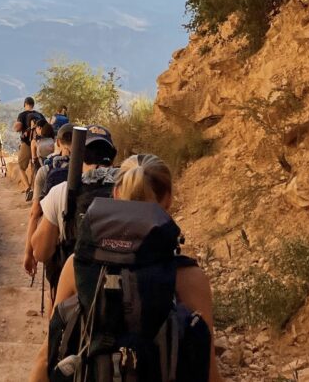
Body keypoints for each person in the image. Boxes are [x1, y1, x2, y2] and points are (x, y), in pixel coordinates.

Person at [29, 155, 223, 382]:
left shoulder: (78, 266)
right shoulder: (189, 278)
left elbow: (46, 356)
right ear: (169, 200)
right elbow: (208, 372)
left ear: (115, 194)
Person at [31, 125, 118, 294]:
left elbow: (41, 253)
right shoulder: (128, 191)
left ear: (77, 157)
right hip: (118, 289)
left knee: (55, 302)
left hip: (75, 288)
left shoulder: (61, 192)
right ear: (112, 159)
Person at [23, 122, 73, 278]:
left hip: (53, 240)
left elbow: (34, 214)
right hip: (79, 241)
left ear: (58, 142)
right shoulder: (87, 170)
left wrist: (29, 253)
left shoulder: (46, 170)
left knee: (55, 286)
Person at [13, 97, 45, 199]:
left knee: (21, 167)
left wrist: (17, 126)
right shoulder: (40, 115)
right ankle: (35, 189)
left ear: (25, 104)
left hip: (27, 144)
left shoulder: (22, 115)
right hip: (39, 144)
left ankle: (28, 188)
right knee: (34, 166)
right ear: (33, 105)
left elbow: (17, 128)